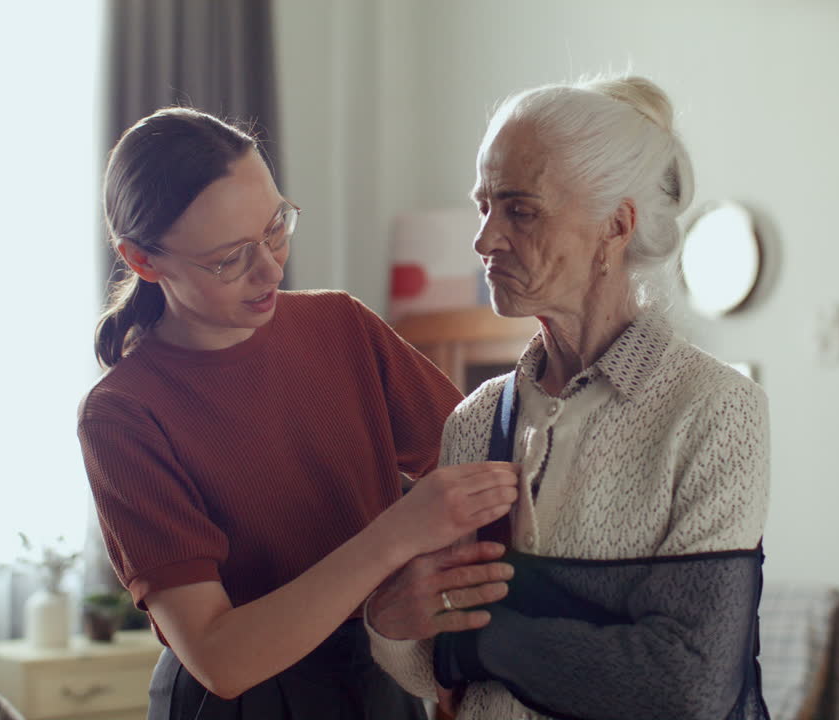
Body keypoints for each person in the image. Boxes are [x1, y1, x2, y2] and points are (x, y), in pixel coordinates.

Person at [76, 107, 520, 720]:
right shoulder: (123, 415)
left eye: (275, 227)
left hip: (378, 678)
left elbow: (497, 466)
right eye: (228, 259)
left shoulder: (342, 326)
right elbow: (220, 658)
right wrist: (397, 536)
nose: (269, 268)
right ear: (144, 261)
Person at [366, 76, 771, 720]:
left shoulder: (712, 408)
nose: (484, 239)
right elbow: (434, 670)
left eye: (520, 210)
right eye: (484, 206)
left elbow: (686, 686)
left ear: (616, 225)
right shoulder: (474, 423)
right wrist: (389, 624)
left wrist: (483, 637)